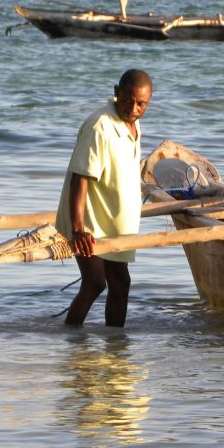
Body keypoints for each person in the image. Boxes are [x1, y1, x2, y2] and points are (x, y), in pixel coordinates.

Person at [56, 69, 152, 327]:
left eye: (141, 104)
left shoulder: (132, 123)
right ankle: (73, 343)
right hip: (89, 222)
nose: (133, 108)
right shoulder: (100, 125)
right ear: (116, 92)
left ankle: (116, 350)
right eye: (128, 100)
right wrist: (78, 230)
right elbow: (81, 177)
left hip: (113, 222)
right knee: (95, 283)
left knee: (121, 283)